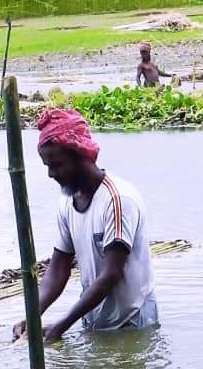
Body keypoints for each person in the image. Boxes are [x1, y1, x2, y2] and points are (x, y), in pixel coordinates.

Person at [13, 107, 158, 342]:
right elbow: (59, 267)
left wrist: (62, 326)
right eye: (47, 165)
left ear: (80, 156)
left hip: (132, 320)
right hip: (94, 317)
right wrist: (32, 316)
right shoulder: (67, 204)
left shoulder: (118, 199)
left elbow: (111, 273)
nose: (51, 174)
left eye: (56, 164)